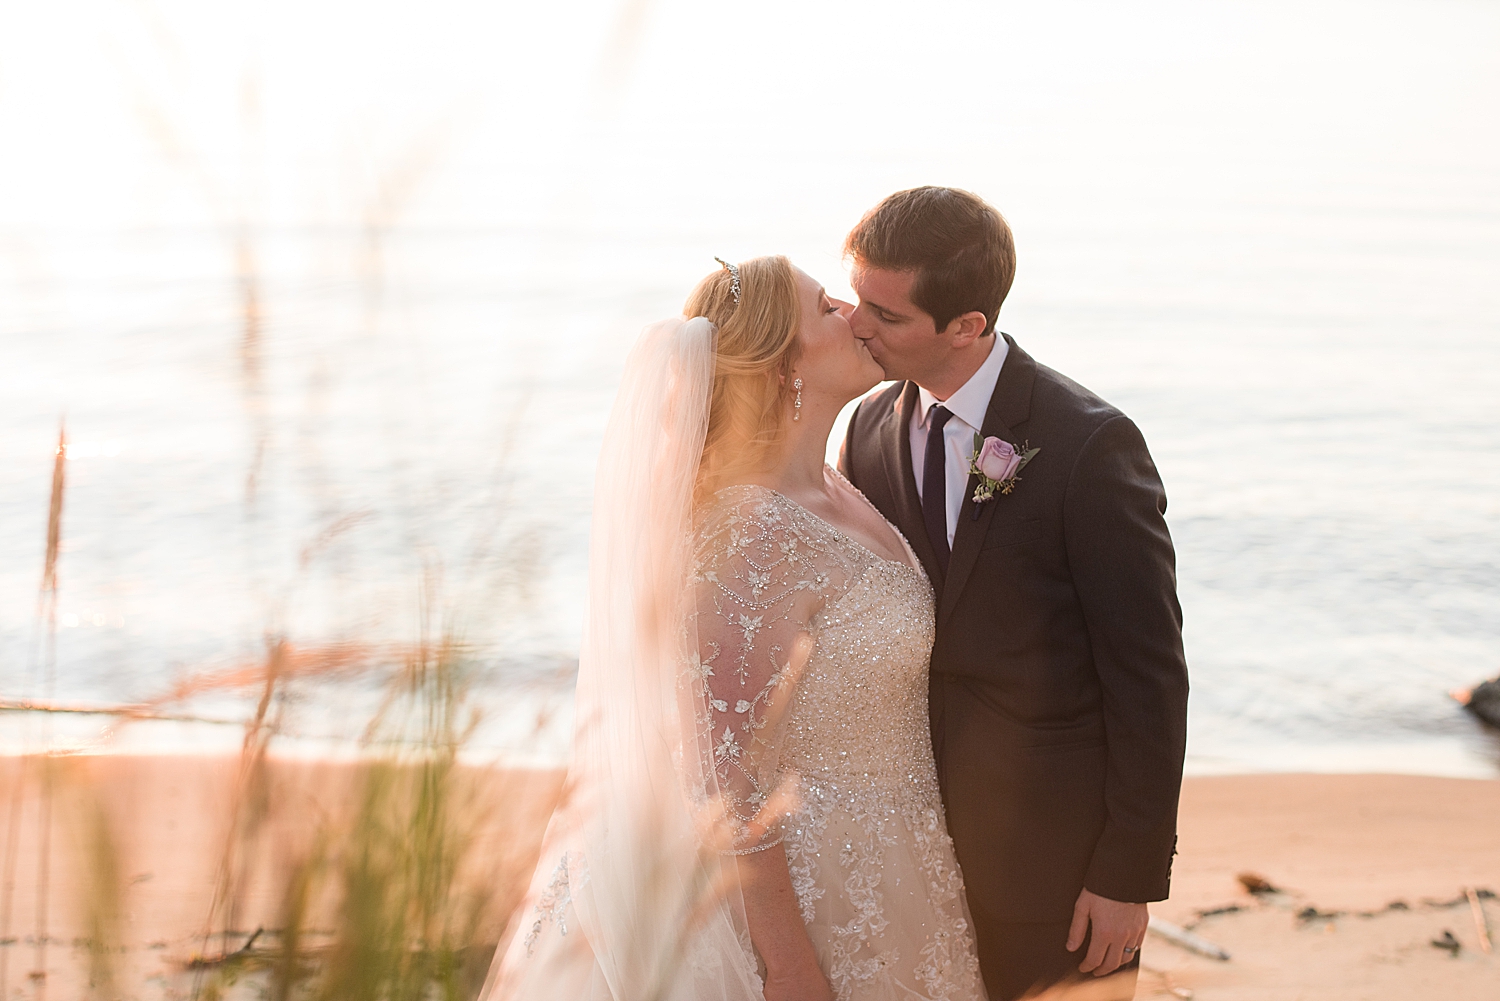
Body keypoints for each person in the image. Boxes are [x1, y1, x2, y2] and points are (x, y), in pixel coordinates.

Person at [481, 255, 986, 1001]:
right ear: (785, 366)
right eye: (826, 307)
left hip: (897, 864)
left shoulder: (842, 485)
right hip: (809, 897)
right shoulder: (749, 532)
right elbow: (724, 771)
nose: (853, 312)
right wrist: (786, 963)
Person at [838, 187, 1190, 1001]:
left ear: (967, 325)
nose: (857, 323)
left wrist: (1127, 876)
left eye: (885, 314)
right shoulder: (865, 430)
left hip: (1055, 869)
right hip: (909, 845)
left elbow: (1149, 677)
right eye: (857, 297)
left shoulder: (1089, 445)